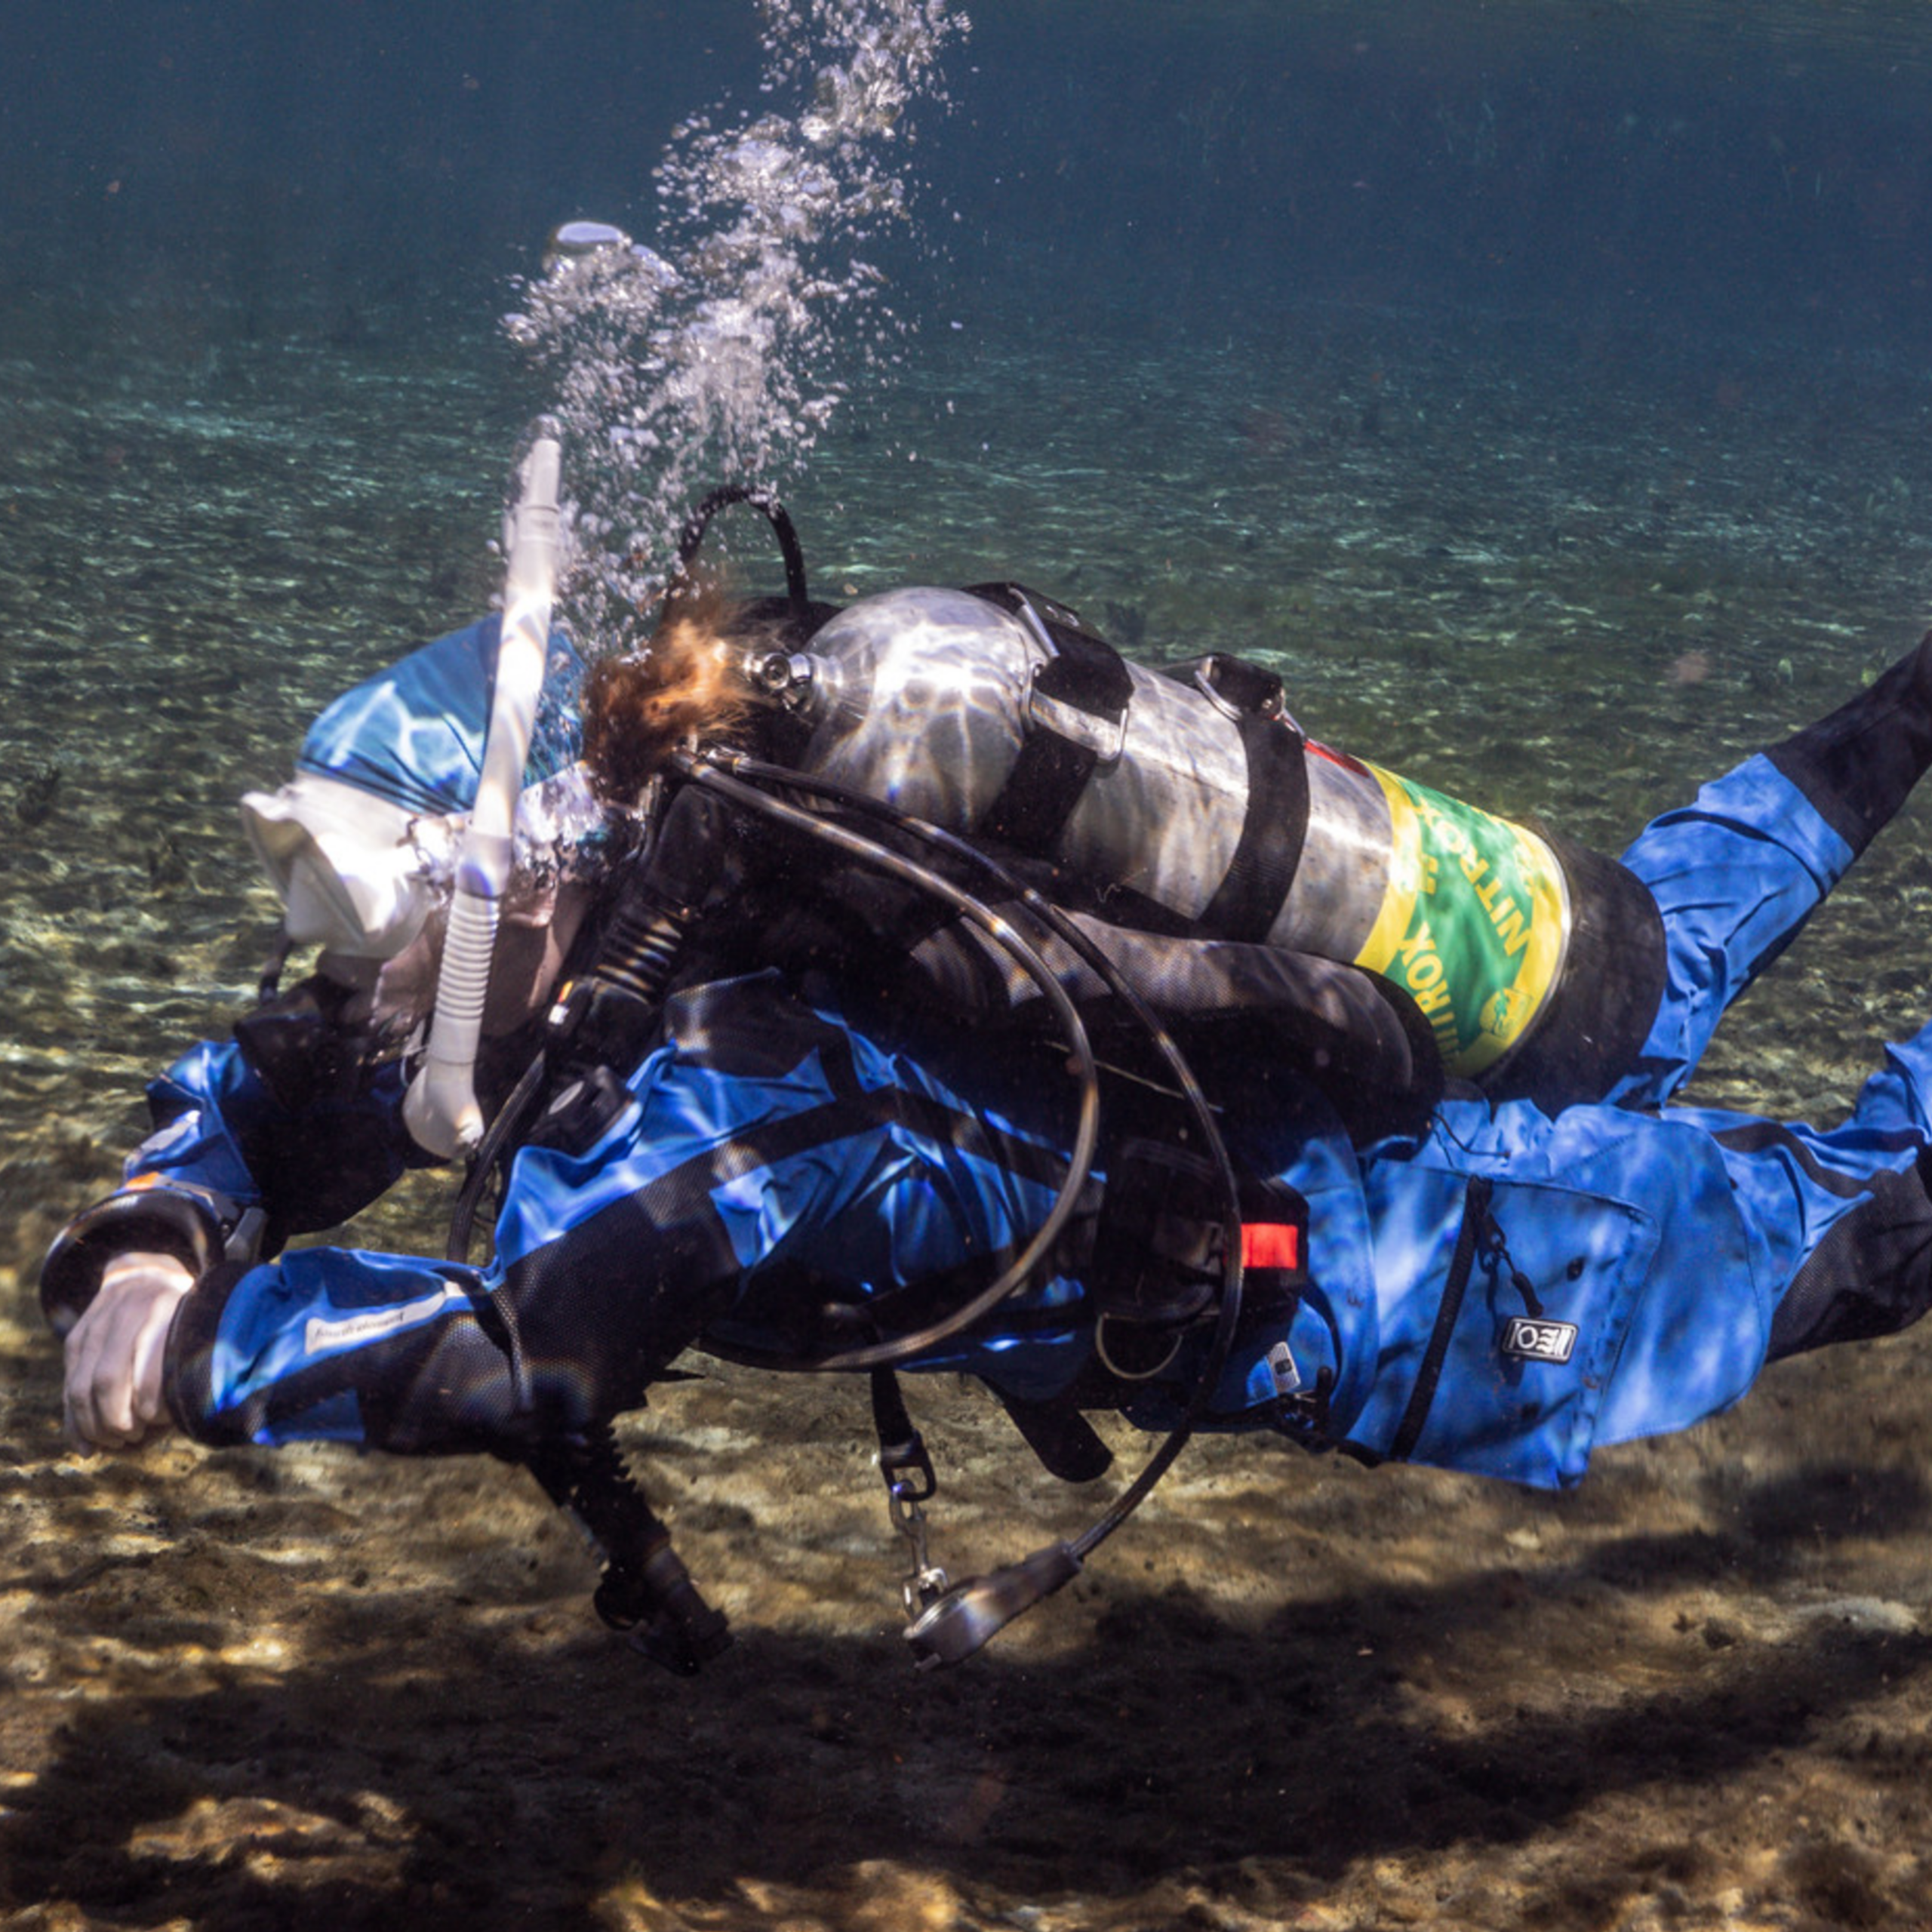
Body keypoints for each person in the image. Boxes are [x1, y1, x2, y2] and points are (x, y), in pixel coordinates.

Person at [41, 503, 1932, 1672]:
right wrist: (149, 1230)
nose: (355, 982)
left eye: (382, 913)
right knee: (1671, 922)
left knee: (1867, 1233)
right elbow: (275, 1086)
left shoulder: (725, 1091)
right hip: (1380, 1047)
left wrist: (206, 1354)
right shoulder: (665, 924)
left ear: (528, 871)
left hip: (1416, 1264)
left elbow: (517, 1357)